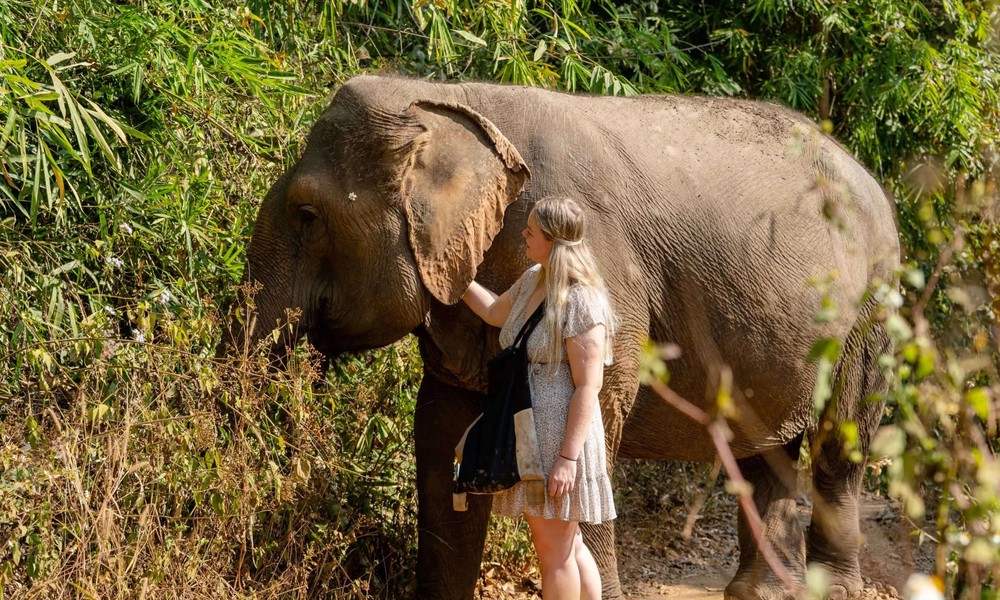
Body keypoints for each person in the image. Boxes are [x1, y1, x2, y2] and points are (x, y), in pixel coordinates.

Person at [462, 196, 617, 600]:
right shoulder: (535, 277)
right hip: (534, 435)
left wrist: (567, 459)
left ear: (553, 241)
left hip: (559, 442)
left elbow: (589, 386)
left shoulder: (581, 300)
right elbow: (495, 312)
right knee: (569, 546)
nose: (524, 235)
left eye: (531, 231)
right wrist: (457, 280)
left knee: (555, 555)